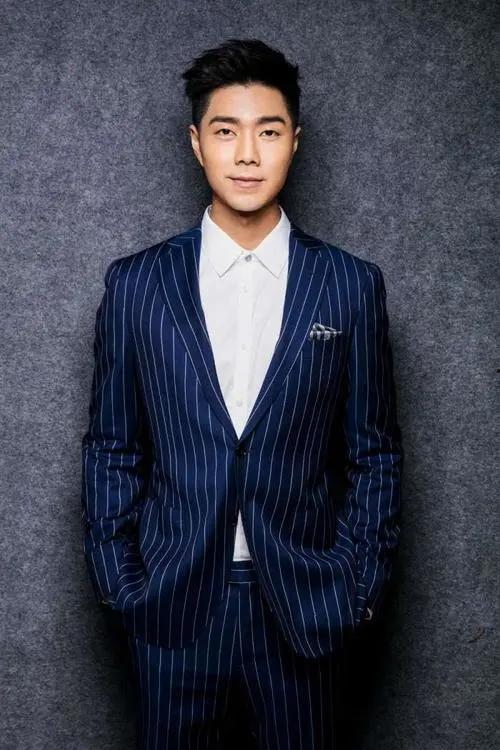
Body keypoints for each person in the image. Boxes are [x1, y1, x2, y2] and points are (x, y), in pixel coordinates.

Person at [81, 37, 404, 750]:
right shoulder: (137, 285)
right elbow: (112, 446)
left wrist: (358, 588)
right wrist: (120, 581)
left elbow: (374, 453)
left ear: (296, 141)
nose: (248, 155)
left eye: (269, 131)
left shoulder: (350, 286)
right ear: (197, 143)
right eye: (227, 132)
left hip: (304, 604)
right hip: (171, 601)